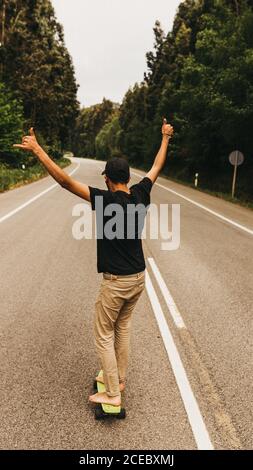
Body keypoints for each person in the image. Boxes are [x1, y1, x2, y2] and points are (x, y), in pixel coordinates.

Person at [13, 118, 174, 407]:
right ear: (128, 177)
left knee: (103, 333)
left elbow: (64, 181)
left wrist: (38, 150)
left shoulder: (104, 199)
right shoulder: (140, 194)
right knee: (122, 326)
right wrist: (165, 138)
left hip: (116, 282)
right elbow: (156, 167)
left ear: (107, 179)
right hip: (138, 278)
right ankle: (119, 378)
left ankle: (112, 393)